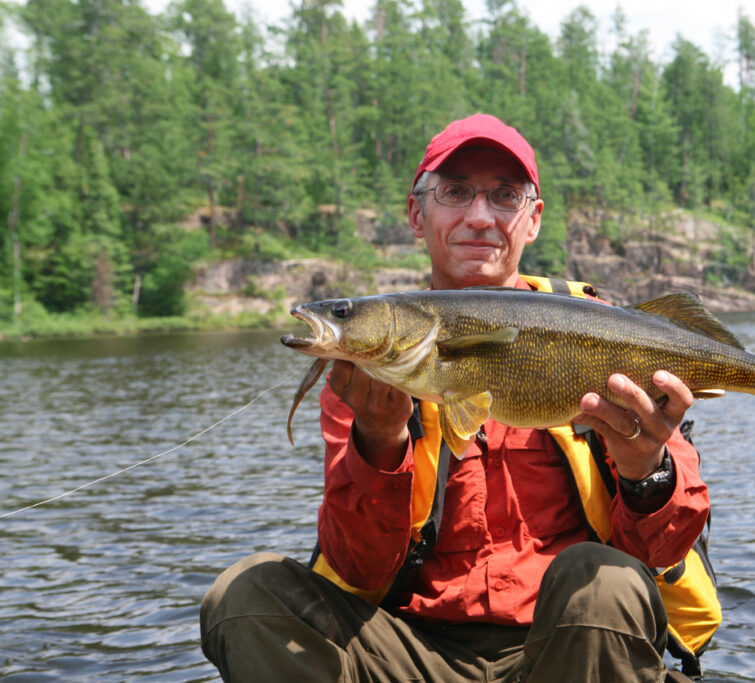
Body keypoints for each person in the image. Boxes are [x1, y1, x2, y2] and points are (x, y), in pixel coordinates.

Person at [200, 113, 720, 682]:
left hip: (571, 649)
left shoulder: (610, 335)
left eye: (504, 196)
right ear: (416, 215)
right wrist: (377, 441)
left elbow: (663, 548)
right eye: (454, 193)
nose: (479, 217)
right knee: (246, 596)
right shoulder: (360, 376)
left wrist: (648, 470)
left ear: (533, 220)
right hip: (415, 653)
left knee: (607, 583)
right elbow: (357, 566)